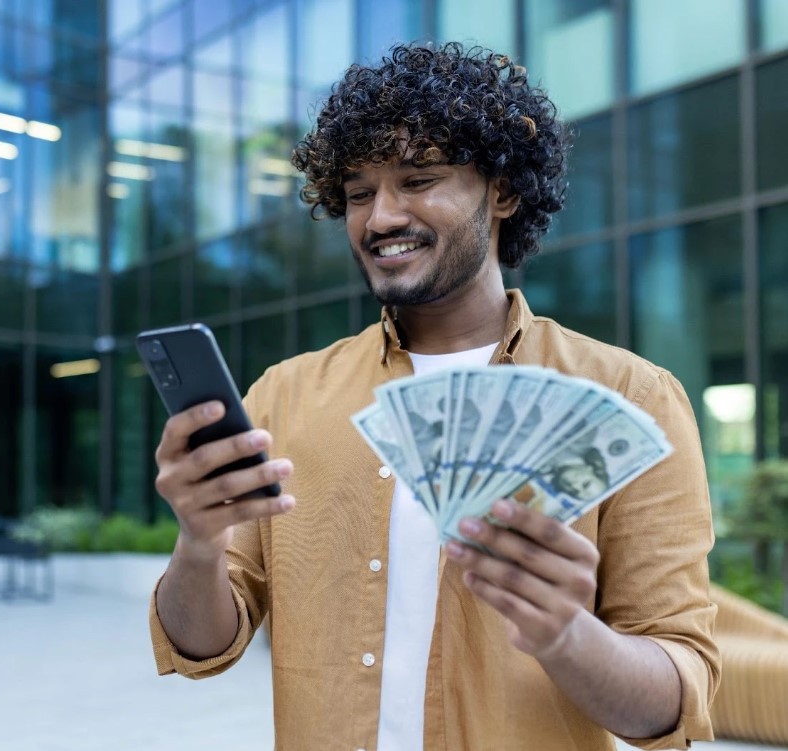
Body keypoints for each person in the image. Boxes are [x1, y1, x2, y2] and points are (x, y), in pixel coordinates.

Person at [147, 42, 718, 750]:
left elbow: (673, 700)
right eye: (358, 193)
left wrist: (566, 633)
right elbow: (204, 648)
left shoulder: (634, 396)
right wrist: (198, 540)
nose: (381, 217)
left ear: (502, 192)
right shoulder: (286, 396)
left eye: (419, 180)